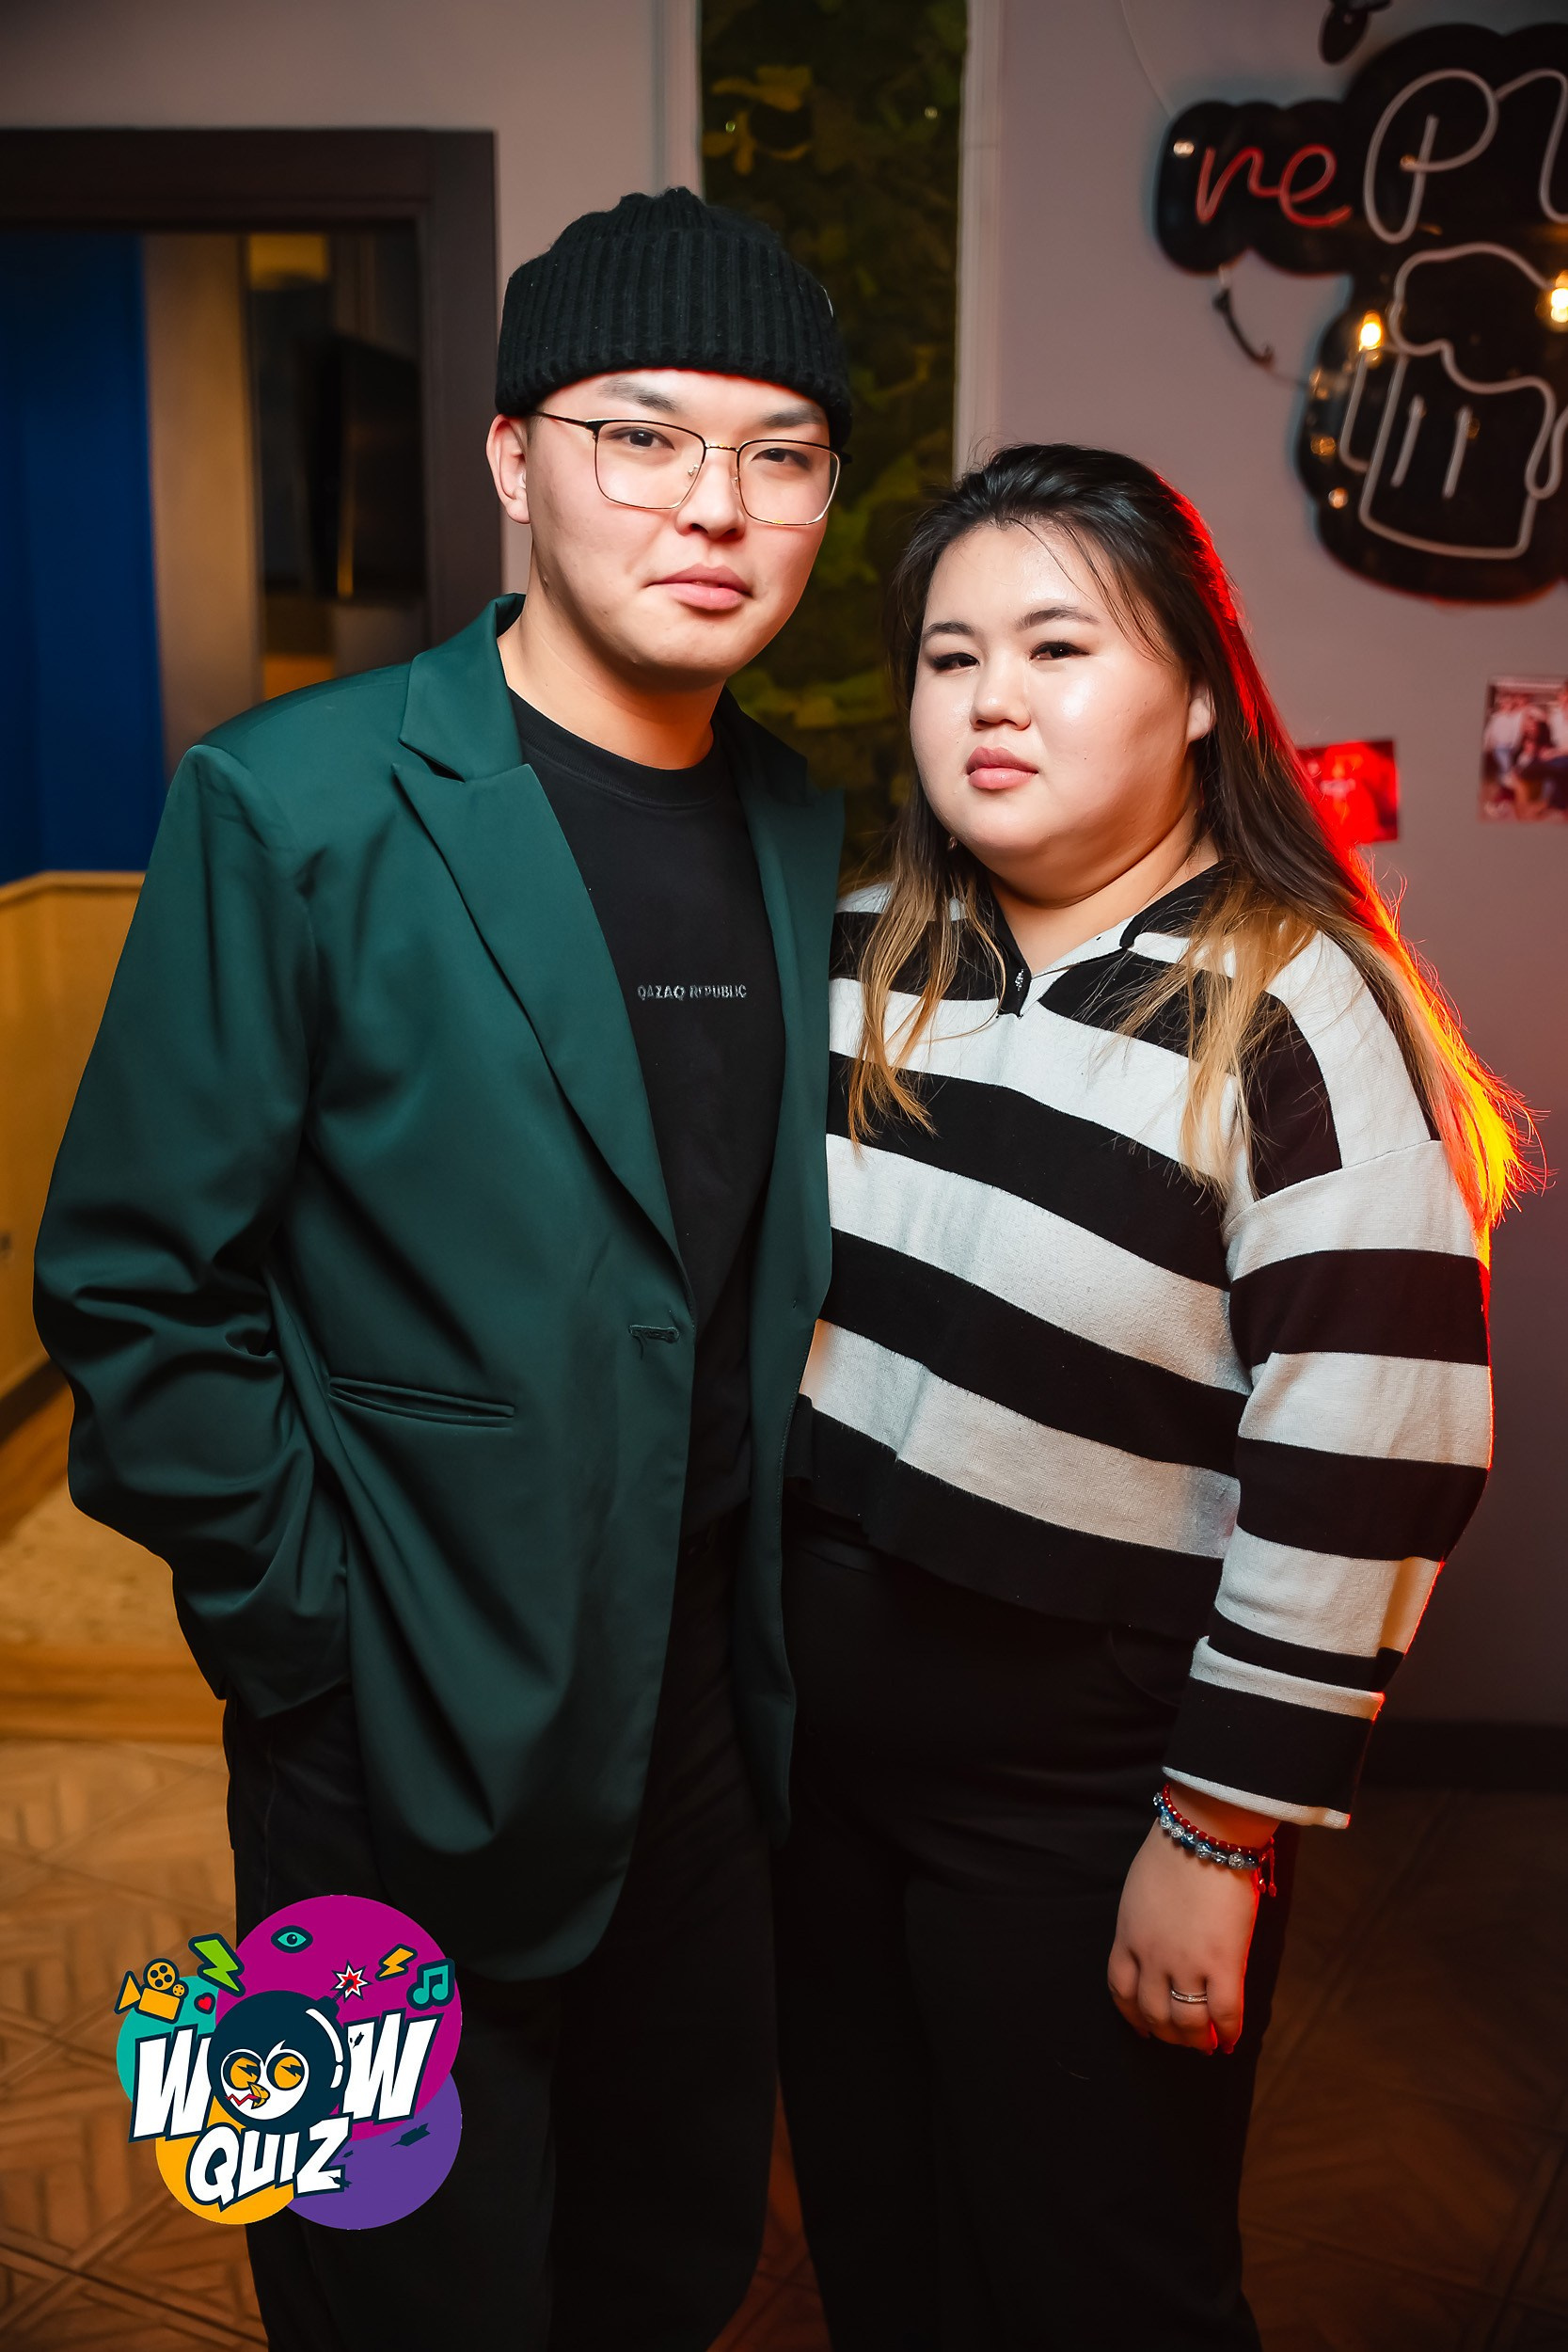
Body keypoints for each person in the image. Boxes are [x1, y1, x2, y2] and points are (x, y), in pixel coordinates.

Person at [33, 188, 849, 2350]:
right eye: (642, 434)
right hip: (368, 1740)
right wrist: (304, 1631)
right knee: (363, 2270)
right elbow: (127, 1281)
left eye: (780, 453)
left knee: (660, 2259)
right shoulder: (283, 798)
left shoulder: (802, 823)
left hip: (700, 1728)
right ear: (510, 455)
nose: (715, 504)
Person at [774, 445, 1528, 2349]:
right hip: (822, 1758)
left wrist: (1214, 1836)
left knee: (1100, 2283)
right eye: (952, 656)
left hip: (1084, 1791)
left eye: (1057, 645)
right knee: (882, 2237)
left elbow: (1379, 1450)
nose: (993, 698)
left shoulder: (1297, 1009)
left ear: (1196, 690)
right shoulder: (863, 956)